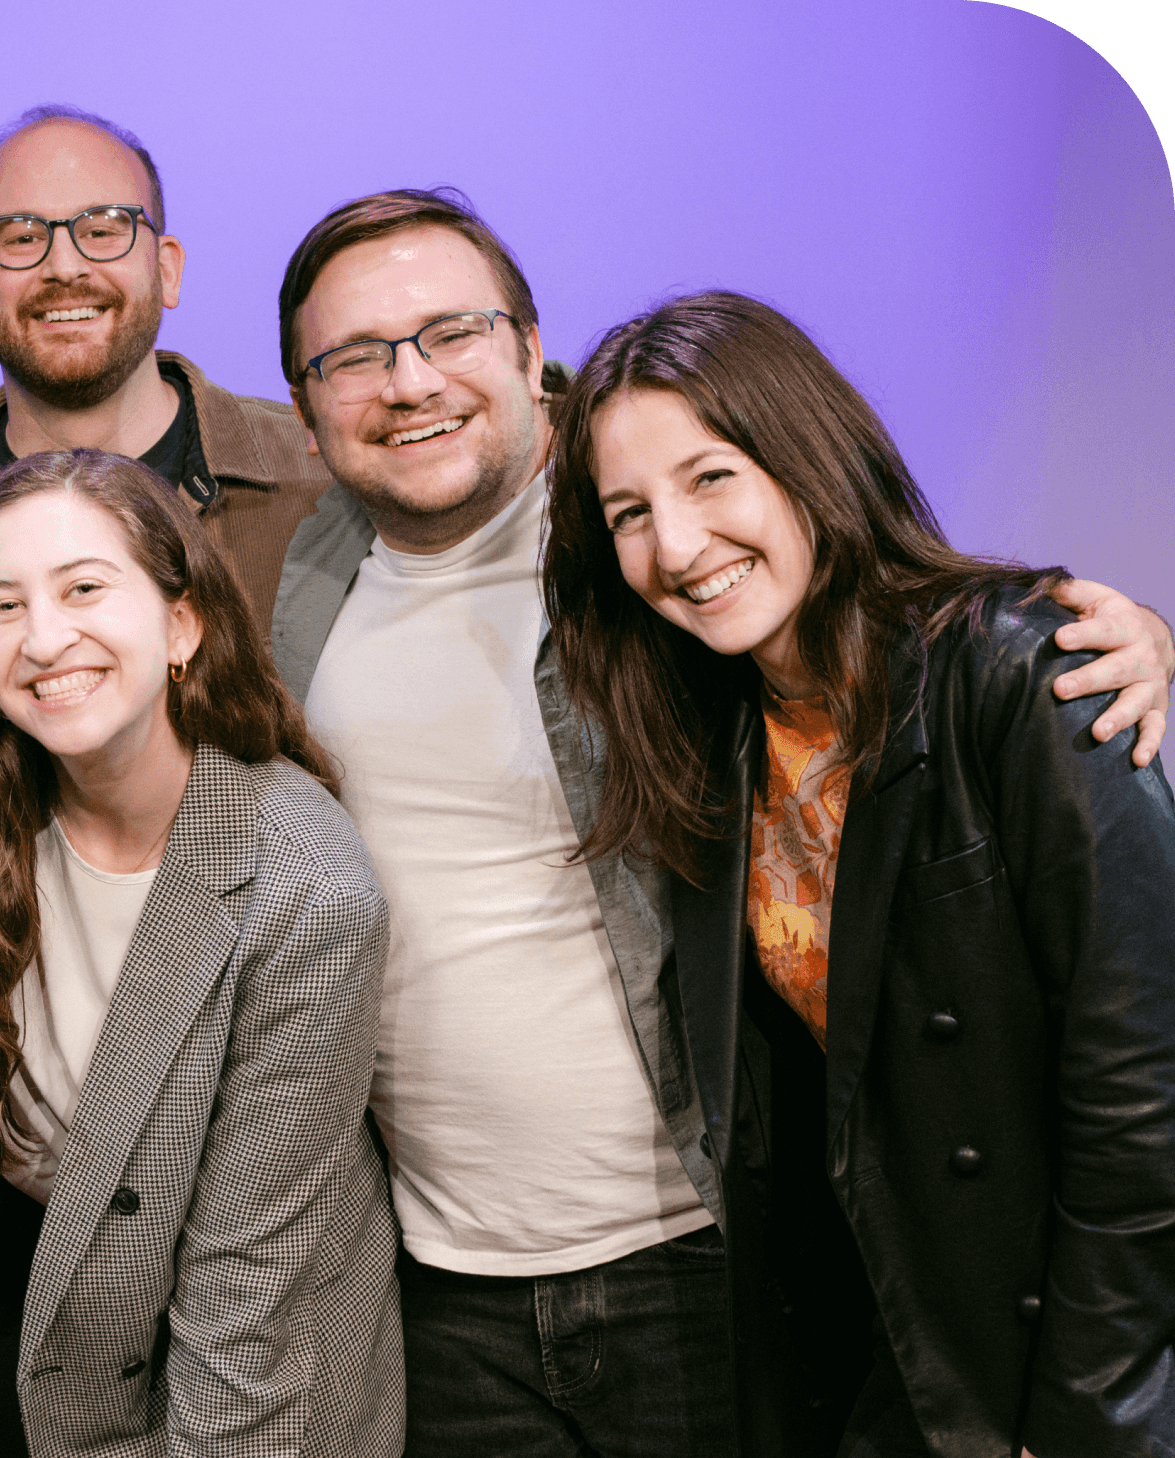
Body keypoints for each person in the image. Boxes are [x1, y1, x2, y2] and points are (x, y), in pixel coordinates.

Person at [266, 188, 1175, 1456]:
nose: (409, 379)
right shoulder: (310, 585)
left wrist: (1112, 633)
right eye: (356, 356)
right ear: (304, 410)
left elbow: (1138, 1090)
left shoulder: (957, 664)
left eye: (451, 332)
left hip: (768, 1277)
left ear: (532, 354)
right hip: (491, 1293)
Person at [541, 291, 1175, 1457]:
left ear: (807, 455)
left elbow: (1146, 1099)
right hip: (886, 1355)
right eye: (630, 513)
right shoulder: (709, 733)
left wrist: (1078, 1419)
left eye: (711, 478)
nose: (676, 547)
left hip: (1061, 1362)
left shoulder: (1013, 669)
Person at [0, 450, 397, 1456]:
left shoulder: (307, 889)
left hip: (218, 1368)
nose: (44, 638)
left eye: (84, 588)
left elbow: (249, 1298)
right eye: (2, 606)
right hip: (20, 1303)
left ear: (182, 623)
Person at [0, 105, 330, 639]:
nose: (65, 268)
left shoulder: (324, 474)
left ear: (167, 269)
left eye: (104, 229)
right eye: (21, 237)